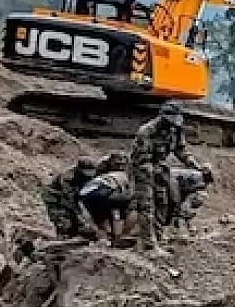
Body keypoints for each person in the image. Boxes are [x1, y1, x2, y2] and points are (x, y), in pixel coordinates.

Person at [129, 103, 208, 255]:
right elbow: (141, 160)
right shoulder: (146, 131)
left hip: (159, 168)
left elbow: (180, 150)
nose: (173, 124)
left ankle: (158, 238)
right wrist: (156, 172)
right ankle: (148, 245)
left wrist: (194, 164)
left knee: (163, 202)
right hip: (142, 170)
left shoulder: (175, 129)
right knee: (146, 206)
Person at [78, 153, 136, 246]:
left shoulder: (102, 175)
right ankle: (123, 236)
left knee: (101, 217)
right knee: (134, 206)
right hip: (102, 191)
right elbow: (122, 199)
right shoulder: (125, 176)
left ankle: (103, 241)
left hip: (85, 195)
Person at [41, 157, 97, 240]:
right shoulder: (68, 176)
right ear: (80, 169)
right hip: (54, 196)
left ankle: (74, 234)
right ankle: (62, 237)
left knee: (81, 225)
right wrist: (80, 214)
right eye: (87, 172)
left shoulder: (92, 174)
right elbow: (68, 198)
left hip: (72, 195)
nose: (89, 174)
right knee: (63, 220)